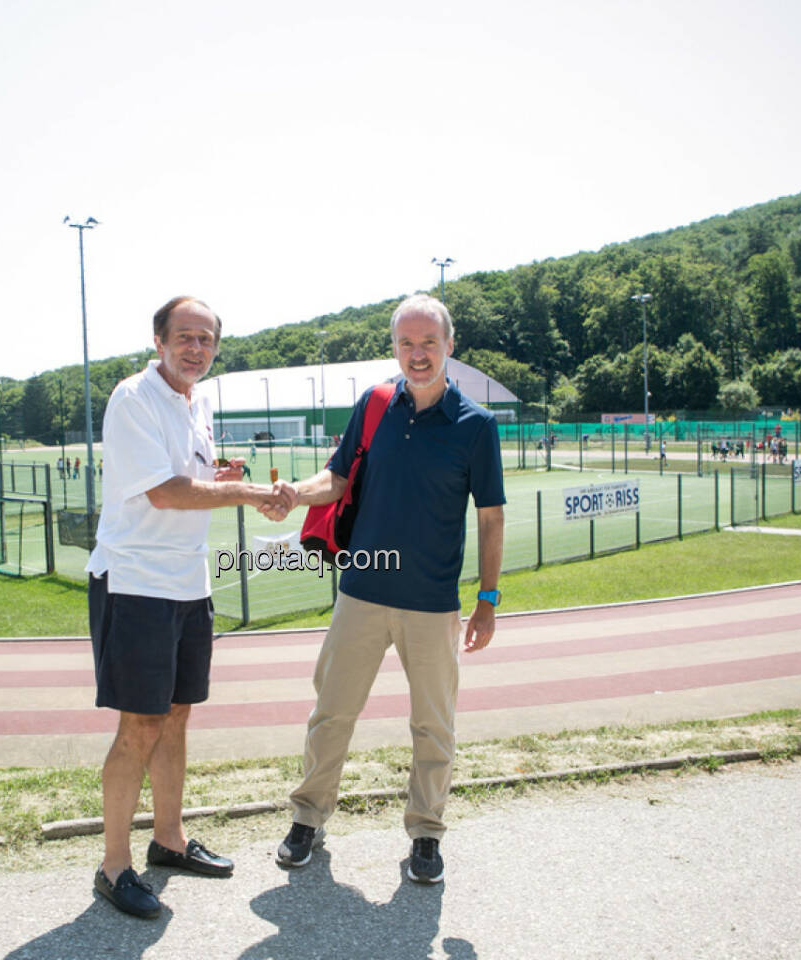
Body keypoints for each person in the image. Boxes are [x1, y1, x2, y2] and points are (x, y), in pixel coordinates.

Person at [272, 294, 505, 885]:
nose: (418, 354)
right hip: (362, 592)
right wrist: (297, 493)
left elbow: (491, 518)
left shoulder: (477, 427)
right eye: (407, 343)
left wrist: (488, 599)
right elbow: (339, 477)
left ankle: (426, 833)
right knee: (331, 712)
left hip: (432, 604)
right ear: (394, 347)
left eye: (429, 343)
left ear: (450, 346)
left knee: (434, 724)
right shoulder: (374, 404)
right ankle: (308, 818)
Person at [85, 295, 294, 920]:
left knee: (177, 716)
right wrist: (247, 489)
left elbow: (188, 471)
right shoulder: (132, 399)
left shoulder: (197, 400)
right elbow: (166, 491)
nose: (195, 348)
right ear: (159, 341)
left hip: (187, 583)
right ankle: (113, 866)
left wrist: (221, 470)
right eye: (184, 336)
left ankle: (169, 841)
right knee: (139, 726)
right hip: (136, 583)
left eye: (206, 338)